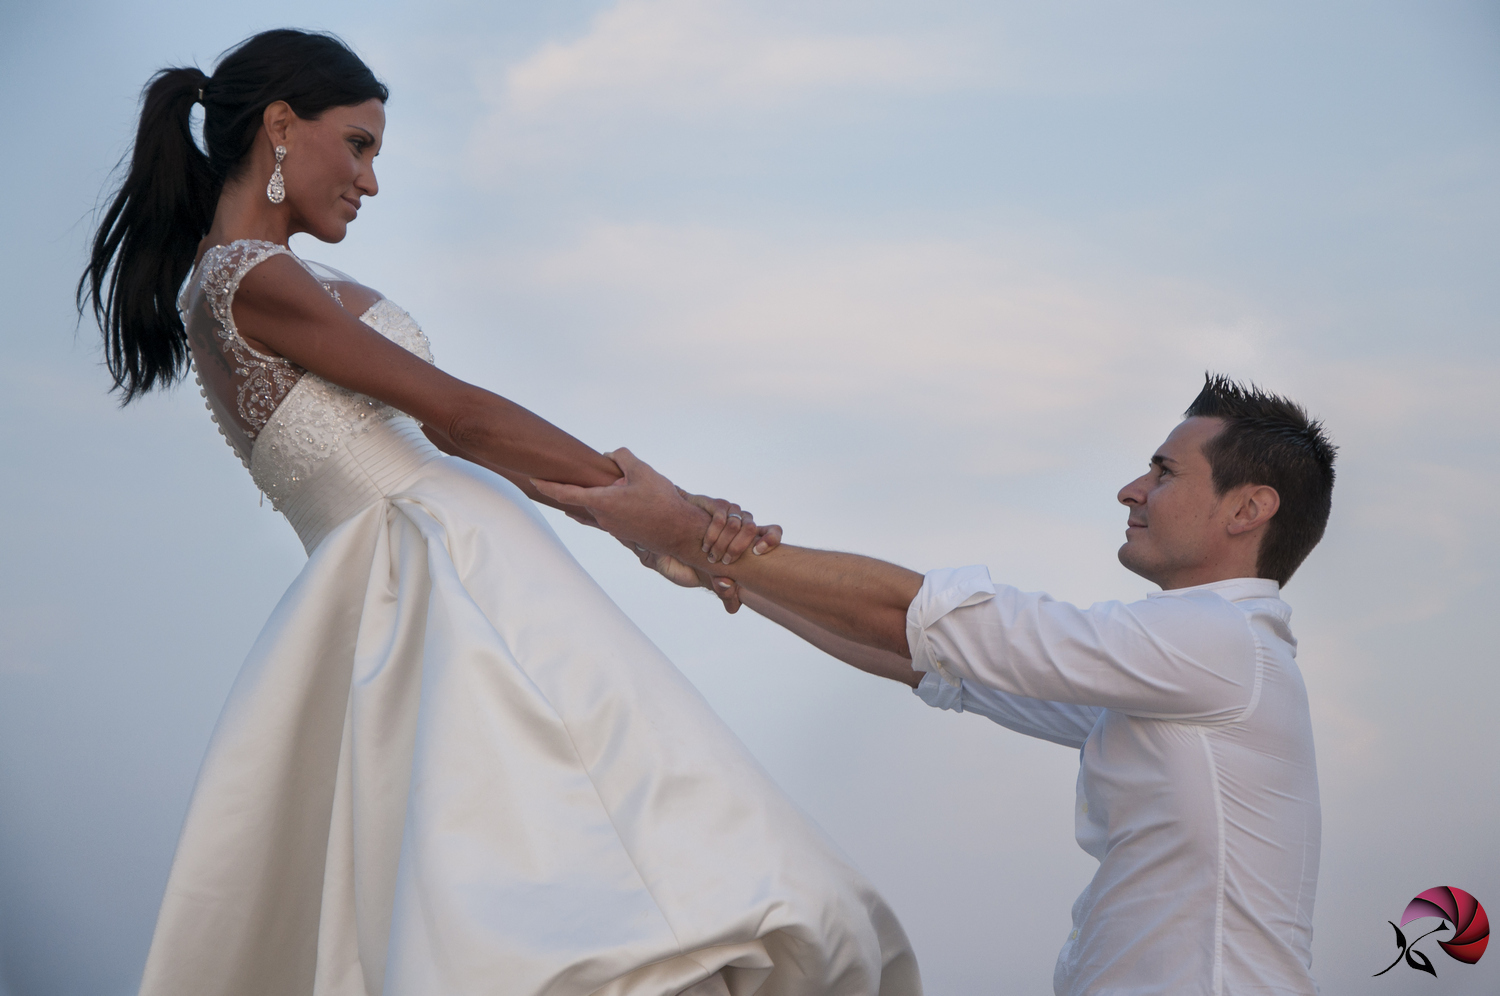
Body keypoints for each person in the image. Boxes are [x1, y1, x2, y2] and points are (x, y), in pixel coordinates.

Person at [79, 29, 919, 996]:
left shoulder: (285, 279)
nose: (371, 180)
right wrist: (668, 505)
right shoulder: (245, 280)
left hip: (463, 557)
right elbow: (465, 418)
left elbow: (462, 438)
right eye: (359, 145)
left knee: (584, 863)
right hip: (431, 579)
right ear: (279, 127)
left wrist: (632, 526)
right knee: (577, 879)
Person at [536, 375, 1336, 996]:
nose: (1132, 490)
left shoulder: (1219, 642)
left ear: (1249, 509)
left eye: (1163, 472)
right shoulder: (1183, 665)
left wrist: (690, 527)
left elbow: (921, 618)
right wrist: (713, 563)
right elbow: (924, 658)